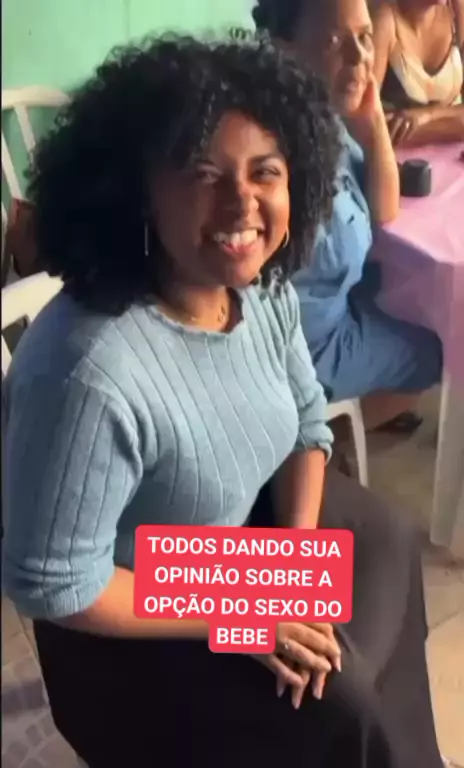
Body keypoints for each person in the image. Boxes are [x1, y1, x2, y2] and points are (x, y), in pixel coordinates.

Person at [2, 34, 442, 768]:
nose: (242, 204)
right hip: (131, 618)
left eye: (265, 171)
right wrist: (239, 606)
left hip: (232, 542)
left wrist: (288, 568)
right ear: (137, 190)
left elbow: (308, 421)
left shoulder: (258, 286)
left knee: (388, 547)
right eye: (204, 175)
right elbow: (54, 582)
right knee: (341, 699)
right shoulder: (86, 369)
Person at [253, 0, 443, 435]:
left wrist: (373, 123)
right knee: (444, 347)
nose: (360, 57)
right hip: (306, 348)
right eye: (335, 42)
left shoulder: (326, 117)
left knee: (422, 308)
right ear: (285, 50)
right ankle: (322, 442)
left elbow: (384, 209)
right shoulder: (274, 155)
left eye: (365, 38)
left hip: (338, 309)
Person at [372, 0, 464, 147]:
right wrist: (454, 123)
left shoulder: (457, 8)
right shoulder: (384, 20)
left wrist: (427, 116)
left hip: (454, 151)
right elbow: (366, 119)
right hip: (396, 154)